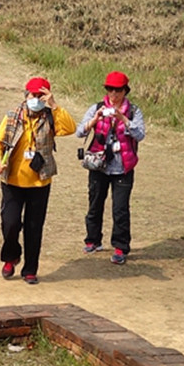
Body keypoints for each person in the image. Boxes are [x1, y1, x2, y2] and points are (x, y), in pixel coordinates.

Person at [0, 76, 77, 284]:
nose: (36, 99)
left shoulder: (51, 116)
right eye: (32, 95)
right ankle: (11, 256)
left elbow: (71, 128)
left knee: (34, 226)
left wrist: (54, 105)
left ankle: (30, 269)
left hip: (40, 181)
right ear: (26, 95)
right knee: (10, 224)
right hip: (12, 181)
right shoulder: (13, 117)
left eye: (41, 96)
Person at [75, 71, 146, 265]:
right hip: (98, 165)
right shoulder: (97, 108)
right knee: (95, 203)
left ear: (125, 91)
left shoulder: (133, 111)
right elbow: (79, 132)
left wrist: (123, 119)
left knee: (120, 209)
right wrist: (95, 119)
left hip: (123, 167)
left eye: (118, 90)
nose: (113, 94)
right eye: (110, 89)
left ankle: (120, 247)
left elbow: (140, 135)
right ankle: (92, 240)